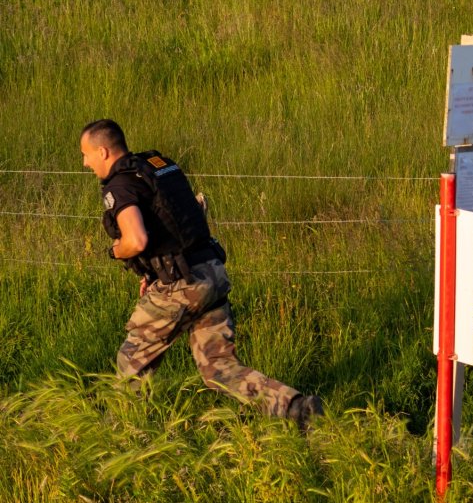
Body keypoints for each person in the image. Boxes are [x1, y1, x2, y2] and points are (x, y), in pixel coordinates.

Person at [79, 119, 323, 430]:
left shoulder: (121, 184)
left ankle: (124, 433)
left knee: (132, 360)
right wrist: (154, 271)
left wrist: (115, 250)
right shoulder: (157, 165)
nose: (85, 162)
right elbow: (175, 223)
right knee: (219, 368)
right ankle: (298, 408)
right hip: (210, 272)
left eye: (86, 154)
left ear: (103, 151)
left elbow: (135, 240)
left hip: (180, 287)